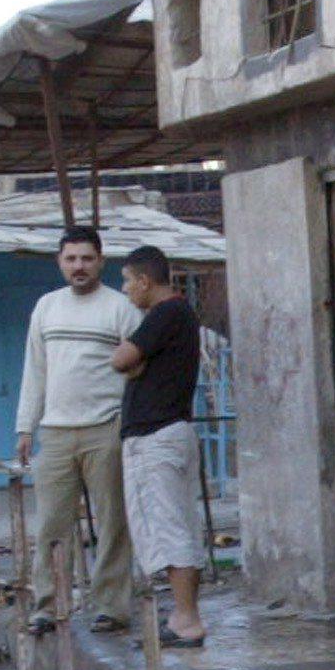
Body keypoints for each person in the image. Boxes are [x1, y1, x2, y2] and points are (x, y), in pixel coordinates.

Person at [14, 225, 136, 634]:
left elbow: (138, 367)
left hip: (106, 428)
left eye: (86, 258)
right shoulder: (46, 307)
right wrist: (24, 427)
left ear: (101, 261)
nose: (79, 266)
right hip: (56, 433)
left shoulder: (121, 308)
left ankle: (111, 607)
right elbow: (35, 370)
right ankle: (48, 606)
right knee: (51, 524)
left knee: (112, 522)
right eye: (71, 259)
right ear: (59, 262)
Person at [109, 244, 207, 648]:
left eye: (129, 282)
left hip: (156, 437)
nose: (128, 290)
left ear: (146, 281)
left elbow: (121, 359)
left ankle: (186, 619)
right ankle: (184, 615)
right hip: (169, 432)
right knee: (176, 523)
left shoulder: (166, 313)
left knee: (168, 528)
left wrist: (132, 360)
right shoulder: (177, 316)